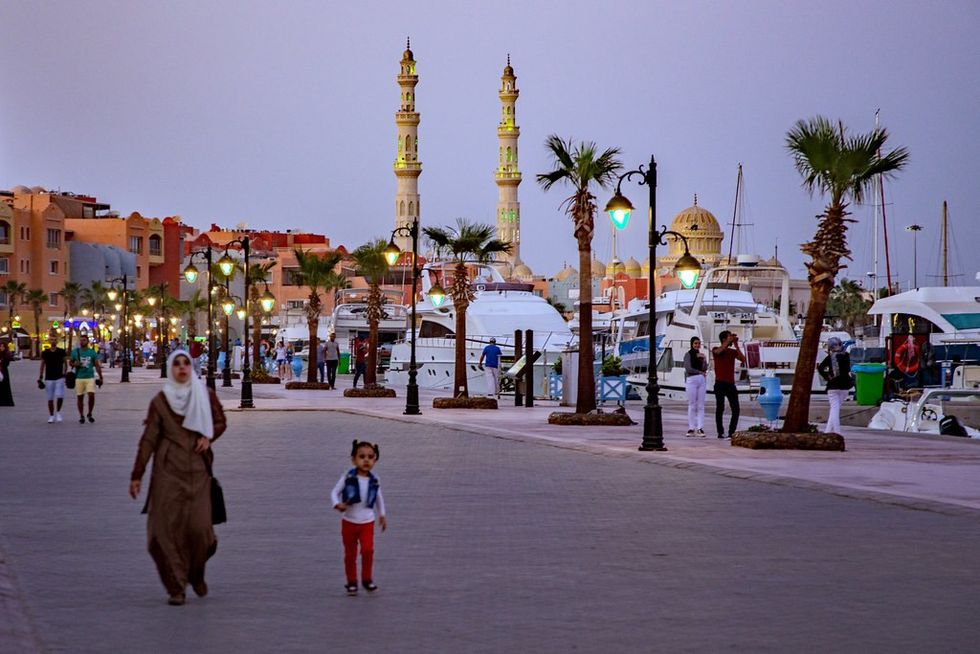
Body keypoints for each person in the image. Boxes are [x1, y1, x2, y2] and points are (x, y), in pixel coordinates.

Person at [130, 350, 227, 606]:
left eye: (186, 363)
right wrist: (137, 475)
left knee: (200, 531)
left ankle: (195, 573)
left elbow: (220, 421)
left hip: (197, 471)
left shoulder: (204, 395)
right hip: (167, 471)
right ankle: (176, 587)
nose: (182, 368)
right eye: (177, 364)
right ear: (171, 369)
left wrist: (209, 437)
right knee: (164, 531)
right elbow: (149, 439)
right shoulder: (160, 401)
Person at [330, 440, 387, 595]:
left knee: (368, 550)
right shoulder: (347, 477)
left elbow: (378, 498)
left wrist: (382, 514)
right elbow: (334, 492)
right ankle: (351, 582)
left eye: (370, 457)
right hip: (348, 522)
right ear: (353, 459)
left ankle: (367, 579)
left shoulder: (374, 480)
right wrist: (337, 504)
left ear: (375, 460)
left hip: (367, 522)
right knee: (350, 554)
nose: (366, 460)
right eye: (362, 456)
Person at [711, 330, 746, 439]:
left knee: (736, 408)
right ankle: (720, 432)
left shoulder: (732, 352)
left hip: (730, 383)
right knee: (720, 408)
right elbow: (719, 352)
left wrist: (736, 344)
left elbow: (743, 359)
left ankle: (731, 432)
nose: (731, 338)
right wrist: (728, 342)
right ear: (723, 339)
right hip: (720, 383)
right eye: (729, 336)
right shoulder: (716, 349)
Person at [818, 336, 853, 434]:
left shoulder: (830, 357)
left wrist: (827, 377)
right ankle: (828, 431)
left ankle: (837, 432)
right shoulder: (846, 356)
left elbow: (820, 368)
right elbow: (848, 369)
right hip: (845, 386)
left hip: (833, 385)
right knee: (835, 409)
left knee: (834, 409)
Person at [70, 334, 104, 424]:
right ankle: (81, 415)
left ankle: (89, 413)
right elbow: (70, 363)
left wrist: (101, 377)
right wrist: (74, 364)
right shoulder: (75, 352)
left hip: (90, 377)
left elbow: (97, 365)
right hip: (79, 377)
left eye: (84, 340)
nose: (82, 342)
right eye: (81, 340)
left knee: (91, 395)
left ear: (87, 342)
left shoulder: (92, 352)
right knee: (80, 397)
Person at [683, 336, 708, 436]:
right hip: (692, 379)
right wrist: (699, 372)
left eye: (698, 343)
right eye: (695, 343)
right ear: (692, 344)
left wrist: (704, 359)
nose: (697, 345)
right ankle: (691, 427)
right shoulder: (688, 355)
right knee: (692, 404)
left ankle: (700, 427)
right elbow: (688, 368)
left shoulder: (701, 355)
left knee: (701, 405)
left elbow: (705, 368)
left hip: (701, 380)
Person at [39, 341, 68, 423]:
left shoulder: (61, 351)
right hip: (49, 377)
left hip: (59, 377)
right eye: (51, 339)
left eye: (54, 339)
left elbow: (65, 363)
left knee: (60, 395)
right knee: (50, 397)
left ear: (57, 341)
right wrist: (40, 376)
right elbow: (42, 364)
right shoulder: (45, 352)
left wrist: (65, 373)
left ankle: (58, 412)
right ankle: (51, 415)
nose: (53, 341)